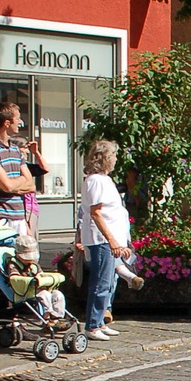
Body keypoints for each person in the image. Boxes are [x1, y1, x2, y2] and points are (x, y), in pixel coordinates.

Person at [79, 139, 131, 340]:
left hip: (111, 239)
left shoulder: (105, 180)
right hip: (101, 239)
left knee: (109, 281)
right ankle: (92, 325)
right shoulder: (95, 181)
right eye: (114, 156)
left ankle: (99, 321)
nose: (116, 159)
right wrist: (112, 240)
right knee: (100, 282)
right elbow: (96, 213)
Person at [0, 102, 35, 234]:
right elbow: (7, 186)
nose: (20, 122)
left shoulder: (16, 149)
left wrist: (12, 182)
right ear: (7, 123)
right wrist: (19, 181)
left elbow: (31, 185)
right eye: (17, 118)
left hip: (19, 216)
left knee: (25, 254)